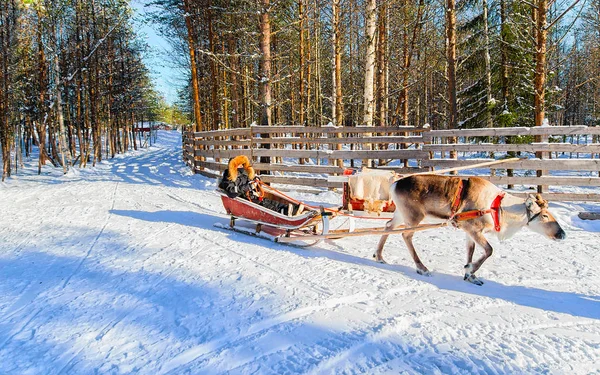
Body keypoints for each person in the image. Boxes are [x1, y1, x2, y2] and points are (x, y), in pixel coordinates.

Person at [219, 156, 304, 216]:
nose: (242, 166)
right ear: (234, 166)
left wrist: (255, 180)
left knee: (269, 201)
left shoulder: (243, 174)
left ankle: (290, 209)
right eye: (239, 164)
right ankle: (285, 213)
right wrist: (248, 187)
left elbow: (249, 182)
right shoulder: (229, 177)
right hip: (244, 200)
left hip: (252, 196)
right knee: (265, 206)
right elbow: (231, 192)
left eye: (242, 164)